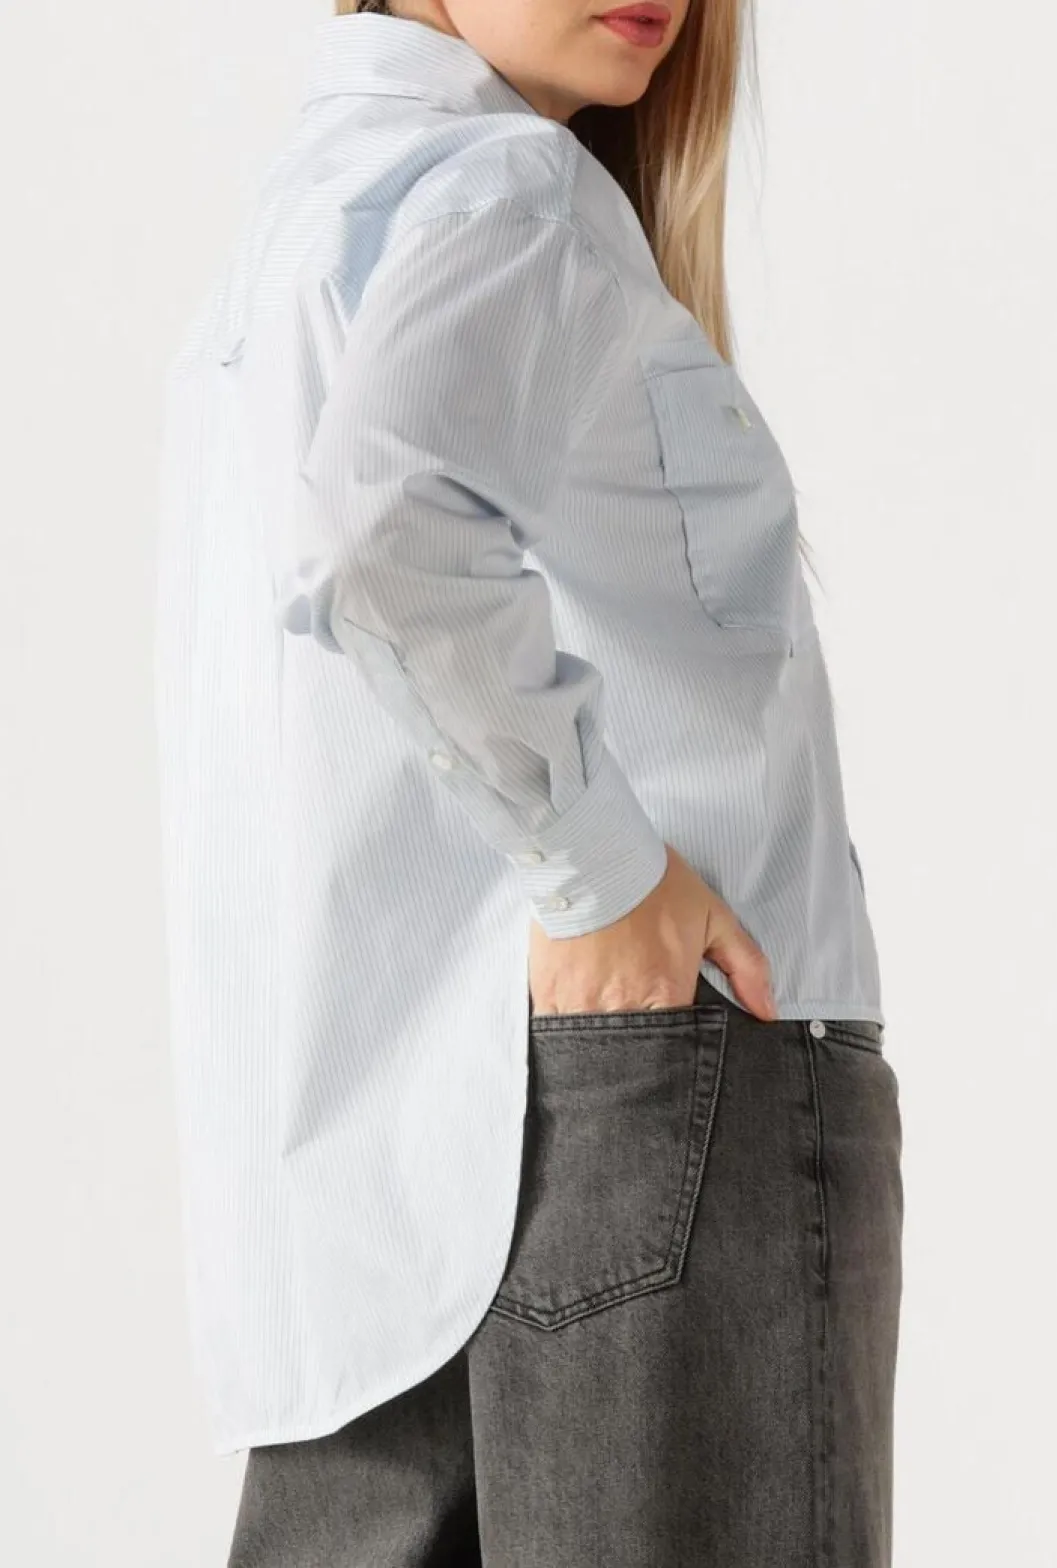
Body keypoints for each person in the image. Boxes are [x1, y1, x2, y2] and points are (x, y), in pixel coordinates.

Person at [153, 1, 903, 1562]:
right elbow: (385, 531)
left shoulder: (283, 239)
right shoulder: (509, 189)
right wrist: (602, 870)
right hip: (655, 1087)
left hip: (374, 1197)